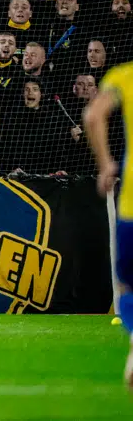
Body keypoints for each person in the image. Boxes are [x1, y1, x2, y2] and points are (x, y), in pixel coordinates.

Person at [82, 63, 133, 388]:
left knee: (129, 287)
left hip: (132, 204)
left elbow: (92, 116)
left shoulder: (124, 76)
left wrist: (105, 166)